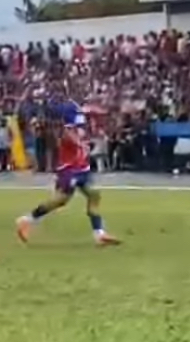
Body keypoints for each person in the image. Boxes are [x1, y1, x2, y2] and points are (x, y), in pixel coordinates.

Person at [15, 103, 121, 247]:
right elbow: (70, 137)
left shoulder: (80, 126)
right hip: (69, 169)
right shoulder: (67, 130)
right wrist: (82, 143)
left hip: (81, 167)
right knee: (61, 200)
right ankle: (27, 220)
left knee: (93, 195)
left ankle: (99, 234)